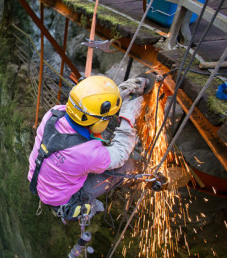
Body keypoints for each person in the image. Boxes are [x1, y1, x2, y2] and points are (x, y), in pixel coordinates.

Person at [27, 75, 148, 222]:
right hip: (63, 199)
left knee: (89, 157)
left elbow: (85, 108)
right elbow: (121, 153)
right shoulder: (87, 153)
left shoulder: (54, 114)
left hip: (40, 180)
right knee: (127, 167)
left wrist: (114, 95)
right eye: (107, 117)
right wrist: (128, 117)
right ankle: (145, 176)